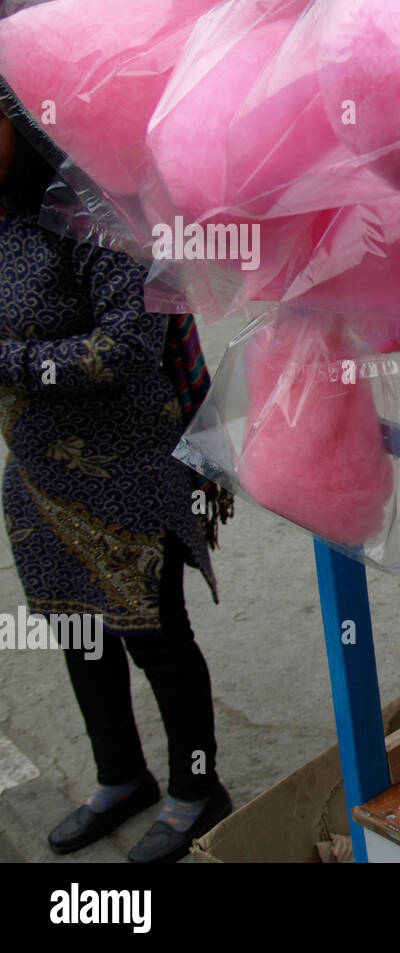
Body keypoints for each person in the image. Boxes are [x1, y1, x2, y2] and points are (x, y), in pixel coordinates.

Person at [0, 109, 232, 862]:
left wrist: (11, 362)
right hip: (36, 475)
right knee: (78, 630)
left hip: (129, 469)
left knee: (155, 639)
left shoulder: (98, 216)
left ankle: (198, 789)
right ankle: (120, 777)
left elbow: (125, 346)